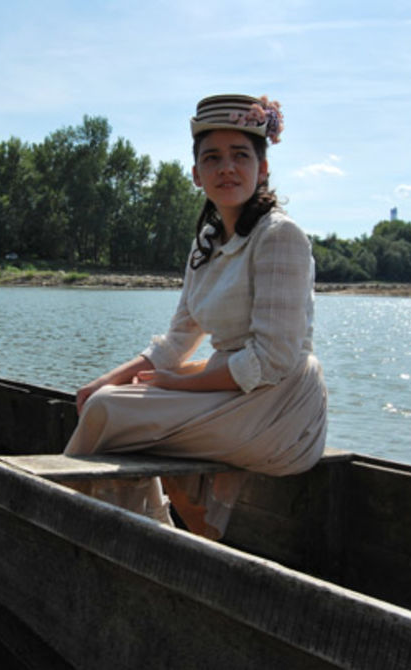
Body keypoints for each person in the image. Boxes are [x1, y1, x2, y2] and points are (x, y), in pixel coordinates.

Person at [64, 94, 328, 539]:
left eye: (241, 156)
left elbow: (271, 361)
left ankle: (92, 529)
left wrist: (176, 384)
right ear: (195, 174)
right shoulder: (206, 241)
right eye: (213, 158)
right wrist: (104, 379)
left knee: (109, 411)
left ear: (262, 169)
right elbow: (176, 343)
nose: (227, 168)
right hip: (230, 389)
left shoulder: (280, 237)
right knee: (102, 399)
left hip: (282, 407)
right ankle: (147, 532)